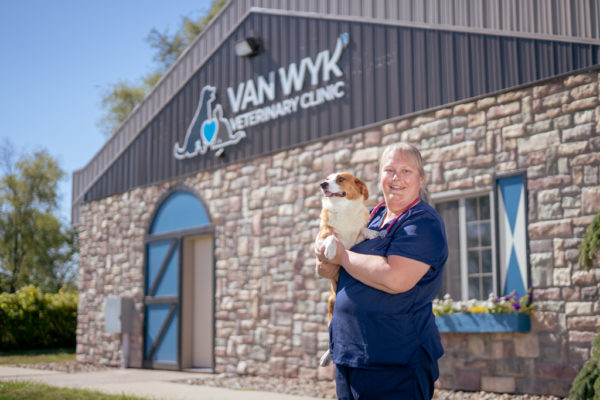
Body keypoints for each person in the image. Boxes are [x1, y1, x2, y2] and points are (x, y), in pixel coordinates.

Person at [315, 142, 448, 400]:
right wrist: (324, 253)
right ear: (380, 177)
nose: (396, 178)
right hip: (350, 357)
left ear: (421, 179)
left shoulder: (422, 222)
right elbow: (325, 269)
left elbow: (395, 278)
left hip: (394, 362)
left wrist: (341, 254)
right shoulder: (372, 217)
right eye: (389, 170)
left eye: (406, 171)